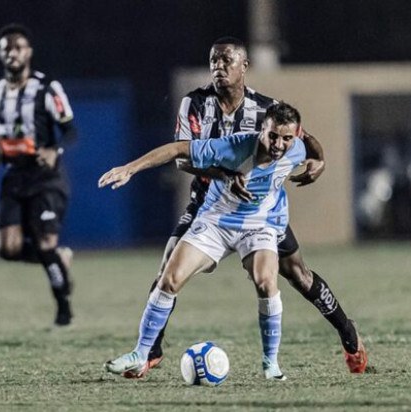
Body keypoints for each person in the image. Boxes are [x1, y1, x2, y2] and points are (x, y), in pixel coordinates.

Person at [140, 37, 367, 375]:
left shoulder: (267, 108)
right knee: (165, 273)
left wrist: (321, 159)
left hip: (260, 210)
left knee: (298, 276)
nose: (218, 66)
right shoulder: (194, 104)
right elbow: (182, 160)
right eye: (214, 60)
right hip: (208, 203)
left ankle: (349, 335)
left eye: (226, 61)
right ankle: (148, 354)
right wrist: (225, 175)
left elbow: (304, 139)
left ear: (243, 67)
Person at [99, 102, 306, 380]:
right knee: (169, 279)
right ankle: (140, 354)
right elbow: (177, 150)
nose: (279, 144)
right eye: (273, 136)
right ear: (261, 131)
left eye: (286, 138)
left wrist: (320, 160)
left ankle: (271, 364)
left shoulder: (297, 149)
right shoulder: (232, 147)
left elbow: (311, 146)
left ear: (295, 136)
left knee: (267, 282)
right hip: (216, 222)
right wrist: (131, 168)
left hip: (259, 225)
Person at [0, 23, 76, 326]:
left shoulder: (48, 89)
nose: (13, 53)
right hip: (14, 175)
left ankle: (63, 309)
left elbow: (70, 130)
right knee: (6, 248)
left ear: (29, 52)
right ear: (0, 54)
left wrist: (54, 150)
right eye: (7, 48)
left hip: (45, 177)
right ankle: (59, 261)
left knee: (44, 241)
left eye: (18, 47)